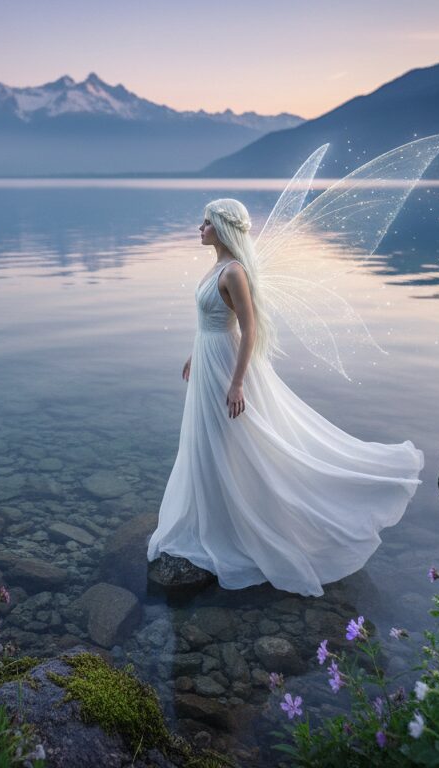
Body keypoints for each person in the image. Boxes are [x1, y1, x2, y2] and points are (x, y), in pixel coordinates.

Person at [146, 198, 424, 597]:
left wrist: (238, 382)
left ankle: (256, 523)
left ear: (222, 229)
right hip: (209, 358)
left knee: (232, 441)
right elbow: (212, 320)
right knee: (206, 443)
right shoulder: (215, 267)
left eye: (205, 223)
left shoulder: (235, 272)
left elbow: (249, 329)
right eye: (201, 222)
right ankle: (216, 515)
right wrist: (195, 353)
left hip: (226, 365)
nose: (199, 228)